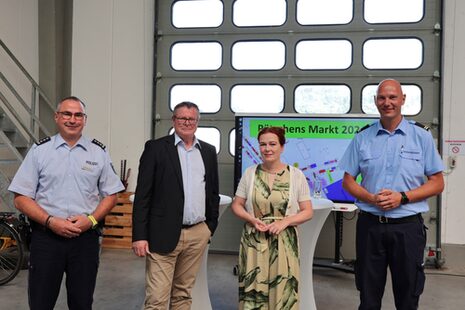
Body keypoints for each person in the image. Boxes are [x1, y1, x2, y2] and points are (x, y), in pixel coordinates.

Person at [8, 96, 125, 309]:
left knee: (82, 303)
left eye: (78, 115)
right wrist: (51, 221)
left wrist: (90, 220)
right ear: (57, 117)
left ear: (84, 119)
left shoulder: (98, 152)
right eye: (67, 114)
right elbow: (21, 198)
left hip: (85, 240)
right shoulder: (40, 151)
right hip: (46, 239)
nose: (72, 119)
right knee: (41, 302)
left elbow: (112, 195)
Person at [338, 79, 444, 310]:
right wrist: (371, 198)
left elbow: (437, 183)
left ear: (403, 99)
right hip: (370, 227)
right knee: (368, 296)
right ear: (376, 101)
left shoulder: (421, 137)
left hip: (407, 228)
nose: (387, 103)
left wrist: (402, 197)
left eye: (392, 97)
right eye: (382, 98)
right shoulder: (362, 137)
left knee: (408, 296)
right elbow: (347, 181)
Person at [132, 101, 220, 309]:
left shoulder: (207, 151)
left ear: (197, 122)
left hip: (197, 234)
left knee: (183, 295)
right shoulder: (155, 148)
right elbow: (143, 195)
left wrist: (210, 227)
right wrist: (139, 236)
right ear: (174, 120)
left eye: (191, 119)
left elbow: (213, 191)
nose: (186, 122)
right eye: (181, 118)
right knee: (156, 299)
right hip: (162, 234)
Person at [231, 126, 313, 310]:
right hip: (254, 240)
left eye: (272, 144)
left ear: (282, 147)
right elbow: (236, 205)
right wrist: (251, 219)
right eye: (263, 144)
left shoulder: (296, 175)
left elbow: (308, 211)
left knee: (283, 290)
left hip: (284, 242)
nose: (267, 148)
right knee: (254, 291)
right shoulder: (250, 173)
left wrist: (285, 222)